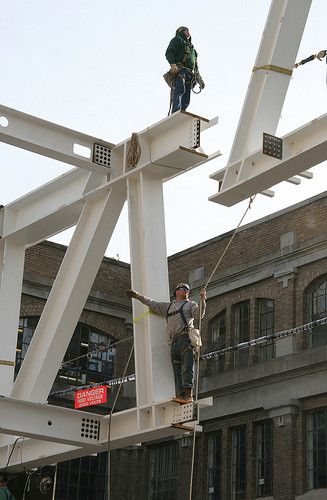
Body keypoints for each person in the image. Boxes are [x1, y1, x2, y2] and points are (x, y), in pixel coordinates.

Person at [126, 283, 206, 402]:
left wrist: (203, 300)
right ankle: (180, 395)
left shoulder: (190, 304)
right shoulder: (167, 307)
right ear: (177, 291)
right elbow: (152, 303)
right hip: (174, 342)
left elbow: (199, 314)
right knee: (177, 370)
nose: (186, 291)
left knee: (187, 367)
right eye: (183, 289)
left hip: (185, 339)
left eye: (188, 290)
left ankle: (189, 394)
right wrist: (138, 296)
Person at [165, 26, 200, 113]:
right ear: (182, 31)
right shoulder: (178, 40)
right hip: (180, 70)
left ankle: (182, 112)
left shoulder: (193, 50)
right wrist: (173, 64)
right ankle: (176, 111)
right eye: (186, 30)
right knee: (180, 89)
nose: (188, 32)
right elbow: (169, 52)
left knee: (186, 96)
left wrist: (199, 78)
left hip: (190, 74)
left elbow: (195, 65)